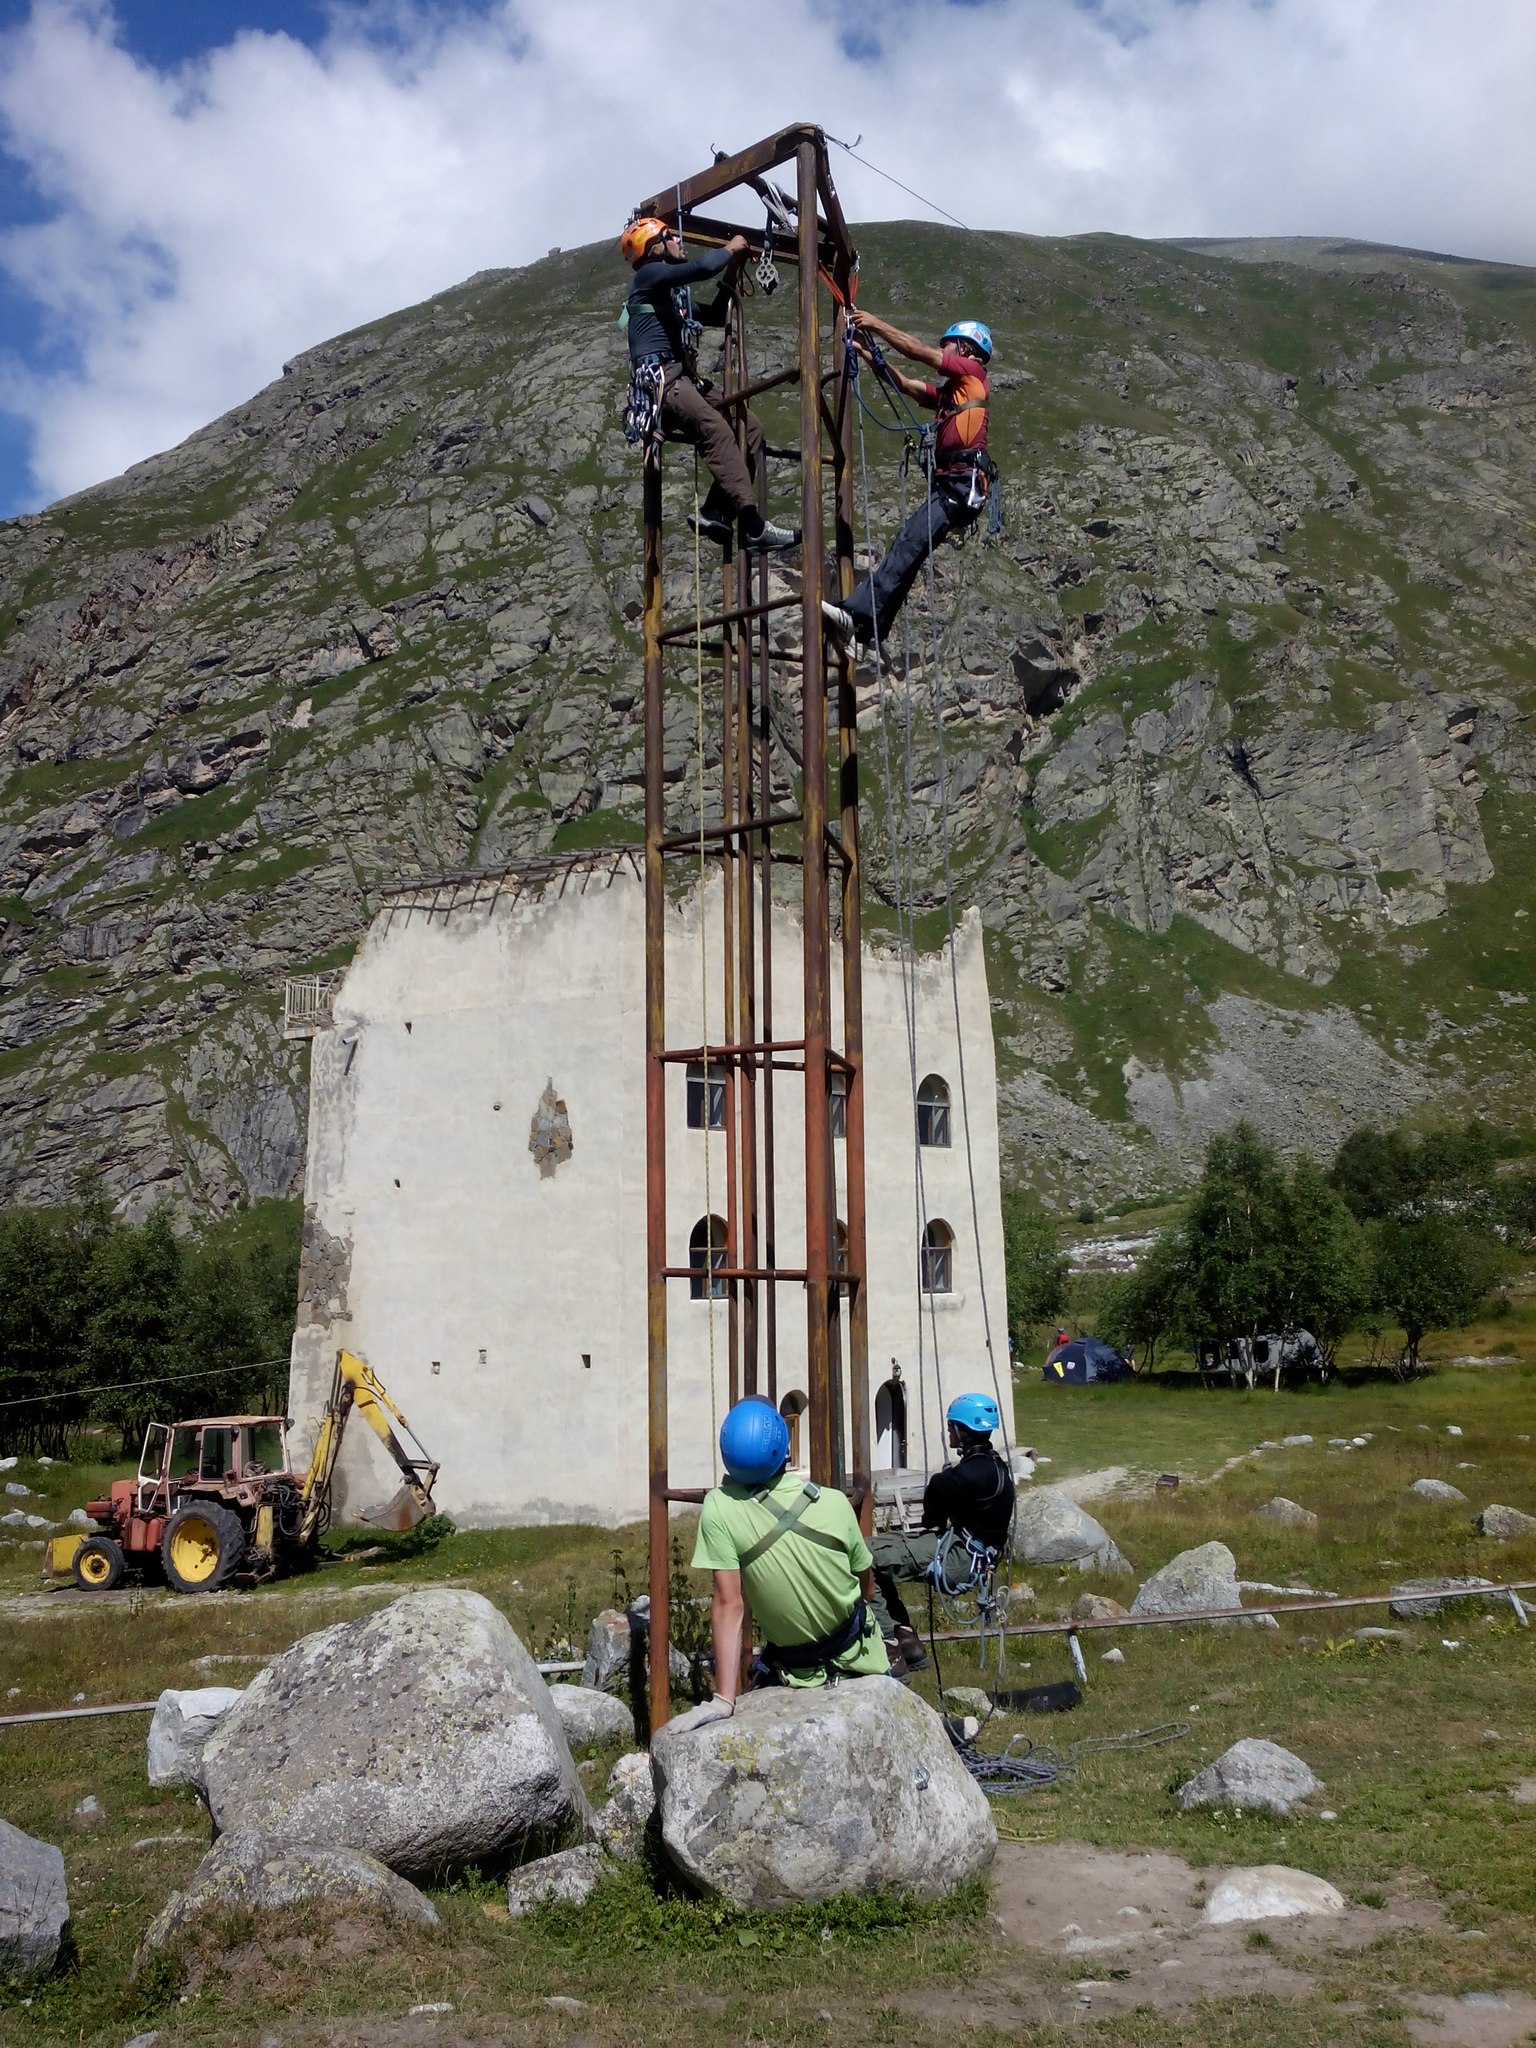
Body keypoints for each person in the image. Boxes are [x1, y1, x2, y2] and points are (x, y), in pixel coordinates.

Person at [689, 1395, 892, 1714]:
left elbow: (729, 1604)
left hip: (792, 1668)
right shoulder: (835, 1502)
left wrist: (724, 1698)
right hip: (860, 1659)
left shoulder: (719, 1507)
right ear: (785, 1447)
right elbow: (867, 1588)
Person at [619, 215, 799, 553]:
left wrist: (733, 267)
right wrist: (730, 249)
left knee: (751, 428)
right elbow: (702, 268)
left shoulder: (670, 299)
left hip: (681, 380)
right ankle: (752, 523)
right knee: (714, 428)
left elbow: (716, 315)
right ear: (654, 248)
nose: (678, 242)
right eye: (671, 237)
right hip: (662, 383)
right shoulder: (648, 274)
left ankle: (716, 510)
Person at [823, 312, 995, 648]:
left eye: (946, 346)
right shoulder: (952, 396)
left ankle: (857, 618)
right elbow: (904, 384)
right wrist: (866, 353)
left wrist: (875, 324)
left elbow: (917, 351)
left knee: (907, 545)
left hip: (959, 486)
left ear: (964, 348)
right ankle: (869, 632)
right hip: (953, 486)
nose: (940, 350)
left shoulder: (972, 373)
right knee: (908, 549)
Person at [866, 1391, 1015, 1672]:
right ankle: (906, 1640)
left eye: (950, 1427)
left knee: (862, 1556)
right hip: (974, 1555)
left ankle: (889, 1646)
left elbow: (931, 1519)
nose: (948, 1431)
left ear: (962, 1431)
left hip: (959, 1558)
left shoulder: (959, 1478)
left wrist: (941, 1485)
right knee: (876, 1551)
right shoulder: (996, 1468)